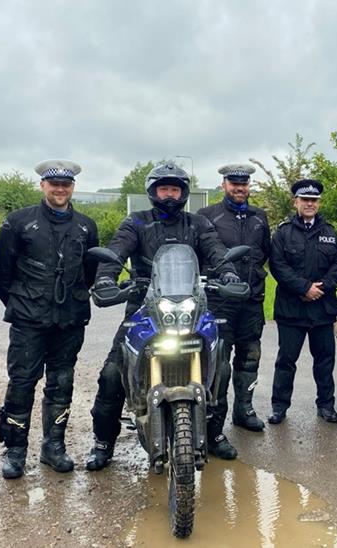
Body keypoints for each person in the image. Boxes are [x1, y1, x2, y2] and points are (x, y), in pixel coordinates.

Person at [86, 161, 239, 470]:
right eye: (163, 189)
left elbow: (216, 251)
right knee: (112, 375)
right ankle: (103, 443)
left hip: (192, 306)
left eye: (175, 189)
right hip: (144, 306)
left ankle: (213, 434)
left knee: (219, 366)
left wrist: (229, 274)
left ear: (183, 193)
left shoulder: (197, 224)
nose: (169, 195)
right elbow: (116, 252)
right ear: (153, 192)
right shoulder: (137, 222)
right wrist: (105, 278)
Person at [0, 160, 99, 478]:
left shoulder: (85, 226)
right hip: (28, 321)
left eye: (66, 184)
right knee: (22, 383)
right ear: (43, 186)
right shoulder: (18, 222)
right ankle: (15, 451)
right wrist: (22, 304)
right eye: (54, 184)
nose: (60, 189)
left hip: (70, 319)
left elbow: (89, 272)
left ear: (72, 188)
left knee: (61, 383)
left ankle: (53, 448)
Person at [197, 163, 270, 436]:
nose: (240, 188)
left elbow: (264, 252)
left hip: (251, 298)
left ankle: (244, 410)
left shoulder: (259, 217)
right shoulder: (207, 216)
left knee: (250, 355)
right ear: (223, 185)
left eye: (244, 183)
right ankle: (215, 418)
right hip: (220, 300)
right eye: (234, 183)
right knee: (219, 361)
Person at [268, 179, 337, 424]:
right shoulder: (283, 233)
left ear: (318, 203)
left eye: (314, 200)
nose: (310, 204)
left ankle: (326, 406)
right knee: (286, 361)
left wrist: (321, 288)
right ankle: (279, 407)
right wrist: (303, 288)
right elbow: (277, 265)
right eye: (305, 200)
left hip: (322, 309)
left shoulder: (330, 233)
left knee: (325, 362)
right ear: (296, 202)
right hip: (292, 309)